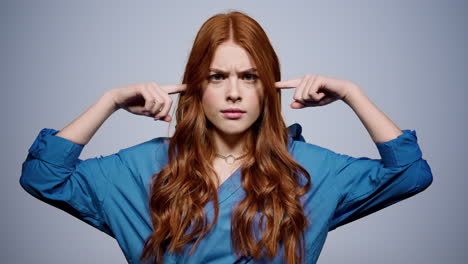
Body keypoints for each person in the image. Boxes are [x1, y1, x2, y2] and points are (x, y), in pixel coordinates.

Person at [19, 10, 433, 264]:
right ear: (196, 86)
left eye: (249, 76)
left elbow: (410, 173)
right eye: (218, 77)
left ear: (268, 86)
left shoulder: (312, 169)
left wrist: (351, 94)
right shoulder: (140, 167)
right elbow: (44, 176)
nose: (234, 92)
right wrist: (108, 101)